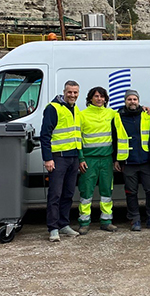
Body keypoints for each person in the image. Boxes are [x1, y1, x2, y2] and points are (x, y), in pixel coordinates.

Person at [112, 89, 150, 231]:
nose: (132, 102)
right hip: (128, 161)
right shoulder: (117, 117)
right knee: (131, 192)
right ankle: (135, 219)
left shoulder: (147, 115)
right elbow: (114, 139)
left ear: (138, 101)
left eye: (134, 99)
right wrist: (115, 159)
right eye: (129, 99)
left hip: (146, 161)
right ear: (125, 101)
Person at [40, 80, 81, 242]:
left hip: (73, 158)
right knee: (55, 194)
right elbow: (45, 135)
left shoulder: (75, 109)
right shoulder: (53, 108)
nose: (72, 95)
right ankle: (53, 228)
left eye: (75, 92)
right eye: (70, 92)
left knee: (68, 193)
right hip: (58, 158)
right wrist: (48, 158)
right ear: (64, 92)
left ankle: (64, 224)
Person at [76, 87, 118, 235]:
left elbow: (127, 114)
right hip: (89, 160)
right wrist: (81, 158)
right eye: (96, 96)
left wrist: (145, 110)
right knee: (86, 192)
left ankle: (106, 221)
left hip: (106, 159)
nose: (99, 99)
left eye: (102, 96)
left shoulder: (112, 113)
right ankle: (84, 222)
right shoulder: (82, 115)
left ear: (106, 99)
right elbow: (77, 138)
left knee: (107, 192)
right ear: (90, 98)